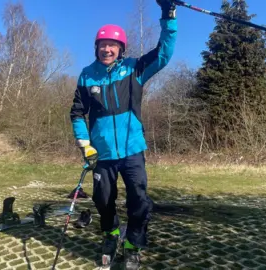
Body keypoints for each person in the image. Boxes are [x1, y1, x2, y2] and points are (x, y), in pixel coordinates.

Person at [69, 1, 177, 269]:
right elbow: (77, 114)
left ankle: (132, 245)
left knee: (138, 200)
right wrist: (86, 146)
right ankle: (111, 235)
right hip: (101, 153)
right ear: (96, 48)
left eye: (112, 45)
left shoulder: (134, 69)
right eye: (102, 44)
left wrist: (168, 15)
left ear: (120, 49)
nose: (107, 48)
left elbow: (163, 53)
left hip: (132, 150)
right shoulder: (86, 76)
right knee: (103, 199)